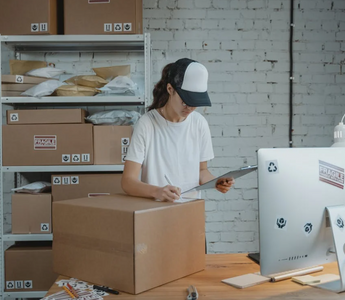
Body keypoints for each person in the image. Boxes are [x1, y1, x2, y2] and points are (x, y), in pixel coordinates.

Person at [121, 58, 234, 202]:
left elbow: (201, 171)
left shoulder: (199, 123)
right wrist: (157, 191)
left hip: (189, 210)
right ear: (170, 89)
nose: (190, 108)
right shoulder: (147, 124)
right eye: (185, 100)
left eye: (195, 103)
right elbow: (127, 182)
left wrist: (216, 182)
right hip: (155, 212)